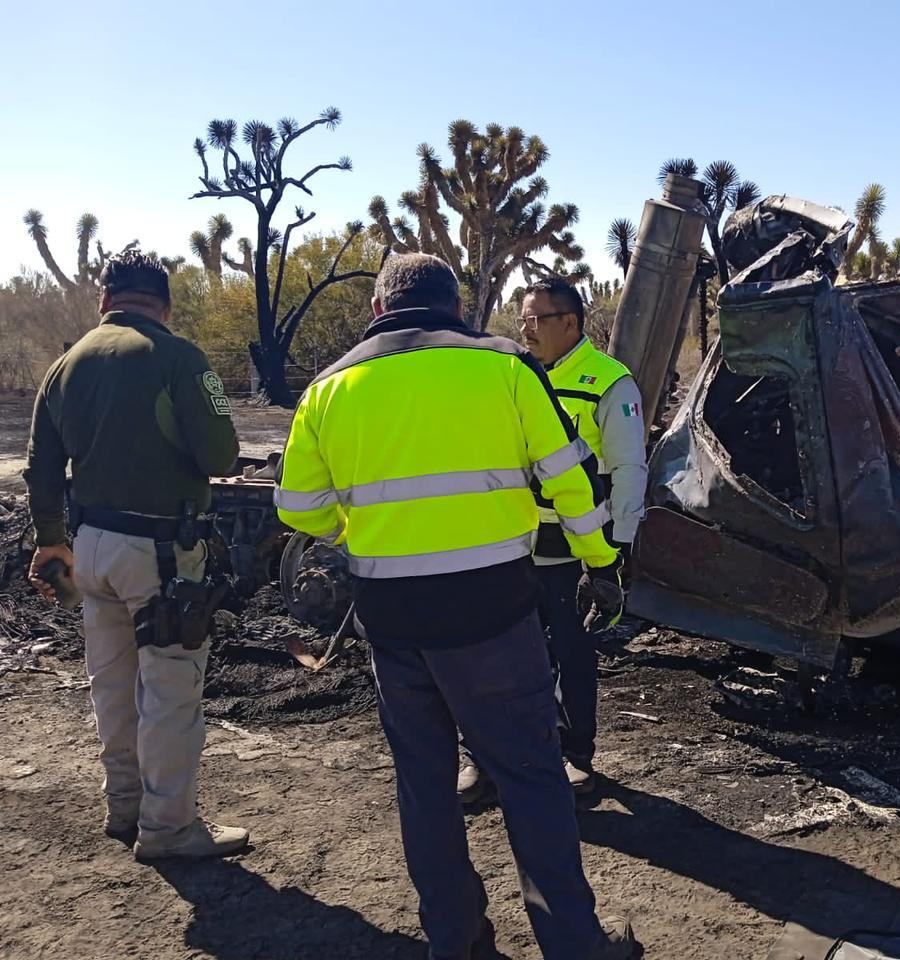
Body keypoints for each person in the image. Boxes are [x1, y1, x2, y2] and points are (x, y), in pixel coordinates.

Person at [275, 253, 637, 960]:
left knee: (425, 784)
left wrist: (363, 533)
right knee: (532, 777)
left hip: (394, 622)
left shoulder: (329, 387)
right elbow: (571, 479)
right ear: (456, 308)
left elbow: (299, 508)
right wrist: (599, 561)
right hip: (494, 614)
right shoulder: (504, 368)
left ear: (379, 311)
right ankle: (574, 944)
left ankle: (456, 937)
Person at [24, 250, 247, 859]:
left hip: (90, 547)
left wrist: (51, 541)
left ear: (105, 300)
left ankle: (124, 807)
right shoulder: (179, 358)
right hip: (162, 554)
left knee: (113, 684)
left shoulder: (63, 366)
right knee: (170, 691)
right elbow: (222, 456)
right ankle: (169, 829)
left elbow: (39, 467)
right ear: (165, 304)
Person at [458, 279, 646, 803]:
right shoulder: (514, 377)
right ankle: (486, 759)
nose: (526, 329)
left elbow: (629, 466)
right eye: (522, 318)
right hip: (512, 544)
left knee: (570, 648)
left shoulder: (609, 382)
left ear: (571, 322)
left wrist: (621, 543)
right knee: (497, 654)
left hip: (573, 547)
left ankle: (574, 754)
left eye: (538, 318)